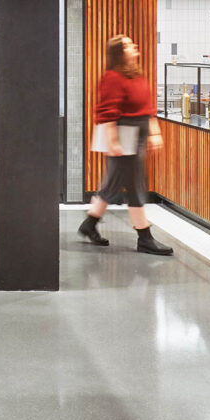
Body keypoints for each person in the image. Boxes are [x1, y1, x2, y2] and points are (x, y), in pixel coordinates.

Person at [79, 34, 174, 256]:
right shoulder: (112, 77)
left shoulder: (136, 76)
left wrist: (154, 132)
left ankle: (89, 224)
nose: (135, 47)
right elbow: (107, 111)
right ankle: (144, 237)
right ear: (119, 53)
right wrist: (113, 142)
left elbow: (147, 109)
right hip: (124, 136)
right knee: (134, 186)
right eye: (129, 45)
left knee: (112, 184)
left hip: (135, 136)